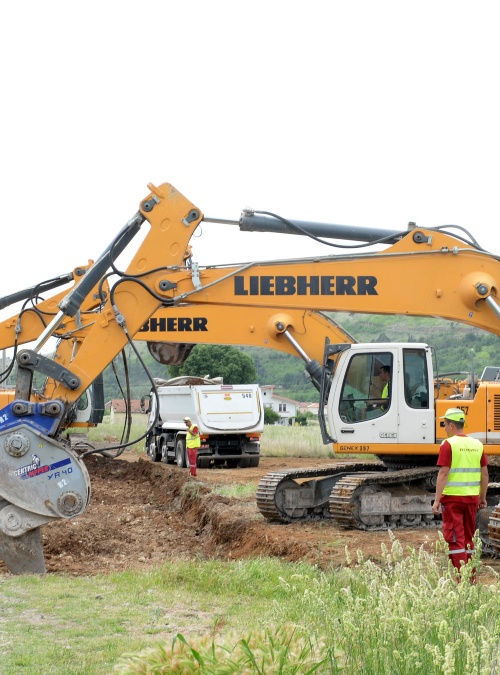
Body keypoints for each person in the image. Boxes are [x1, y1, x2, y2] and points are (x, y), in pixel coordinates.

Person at [432, 407, 488, 581]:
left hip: (452, 500)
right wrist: (482, 497)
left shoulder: (449, 445)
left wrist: (436, 501)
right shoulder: (477, 445)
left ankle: (460, 580)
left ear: (451, 425)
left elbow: (443, 473)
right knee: (469, 539)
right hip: (471, 500)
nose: (444, 428)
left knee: (455, 540)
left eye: (445, 424)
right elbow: (485, 473)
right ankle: (471, 578)